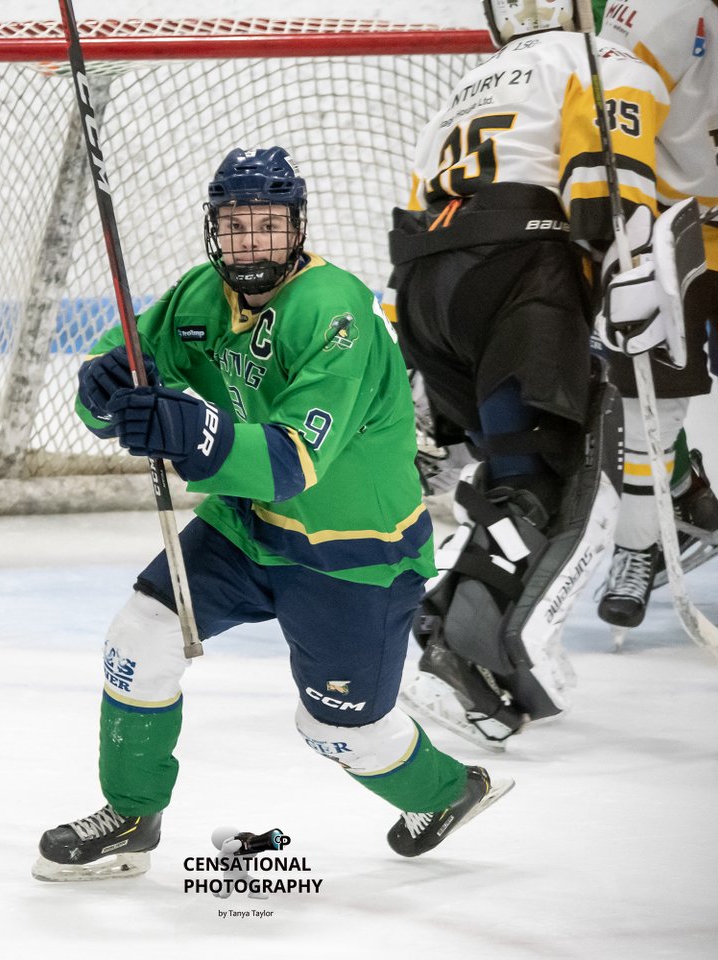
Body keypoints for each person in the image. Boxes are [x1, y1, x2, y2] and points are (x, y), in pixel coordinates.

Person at [32, 146, 513, 882]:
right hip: (247, 528)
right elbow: (122, 359)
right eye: (235, 225)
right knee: (142, 634)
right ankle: (132, 815)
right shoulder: (200, 299)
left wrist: (185, 432)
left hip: (355, 553)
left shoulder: (335, 313)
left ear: (297, 228)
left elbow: (289, 463)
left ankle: (450, 792)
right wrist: (107, 391)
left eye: (269, 224)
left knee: (336, 728)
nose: (251, 241)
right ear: (213, 230)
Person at [383, 0, 667, 750]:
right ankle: (457, 634)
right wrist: (622, 273)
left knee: (518, 472)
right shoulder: (606, 62)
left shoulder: (469, 83)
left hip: (426, 290)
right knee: (545, 481)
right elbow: (605, 183)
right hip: (519, 273)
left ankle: (472, 621)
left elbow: (414, 206)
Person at [594, 0, 718, 629]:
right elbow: (615, 116)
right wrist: (631, 236)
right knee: (654, 402)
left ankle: (687, 505)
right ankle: (636, 549)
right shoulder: (660, 13)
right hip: (679, 224)